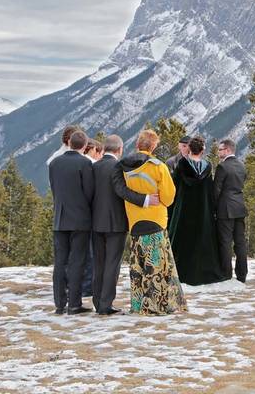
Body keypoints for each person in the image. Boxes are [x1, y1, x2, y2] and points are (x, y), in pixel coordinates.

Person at [116, 129, 186, 315]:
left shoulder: (124, 167)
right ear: (153, 146)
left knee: (137, 267)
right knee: (155, 266)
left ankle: (138, 305)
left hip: (134, 221)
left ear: (138, 144)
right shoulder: (158, 166)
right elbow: (169, 197)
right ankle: (156, 306)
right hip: (155, 220)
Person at [169, 136, 227, 285]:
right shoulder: (207, 167)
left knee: (182, 242)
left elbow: (173, 187)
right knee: (202, 241)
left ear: (189, 149)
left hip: (184, 211)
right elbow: (210, 190)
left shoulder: (181, 164)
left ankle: (179, 273)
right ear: (202, 150)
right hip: (202, 211)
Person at [48, 130, 95, 315]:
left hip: (60, 218)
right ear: (84, 146)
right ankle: (74, 303)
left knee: (60, 261)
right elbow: (90, 191)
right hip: (80, 219)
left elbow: (54, 189)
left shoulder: (54, 163)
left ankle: (59, 303)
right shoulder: (84, 163)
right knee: (77, 261)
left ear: (69, 143)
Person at [90, 135, 131, 315]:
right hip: (116, 222)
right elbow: (122, 192)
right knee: (112, 264)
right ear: (119, 149)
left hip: (95, 222)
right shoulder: (119, 167)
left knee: (99, 263)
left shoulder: (93, 166)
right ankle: (106, 304)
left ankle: (98, 301)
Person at [214, 138, 248, 283]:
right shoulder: (242, 166)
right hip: (240, 207)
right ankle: (242, 274)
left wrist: (213, 209)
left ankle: (226, 274)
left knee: (225, 242)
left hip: (225, 209)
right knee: (240, 243)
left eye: (220, 149)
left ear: (227, 150)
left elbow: (216, 190)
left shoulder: (222, 167)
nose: (218, 152)